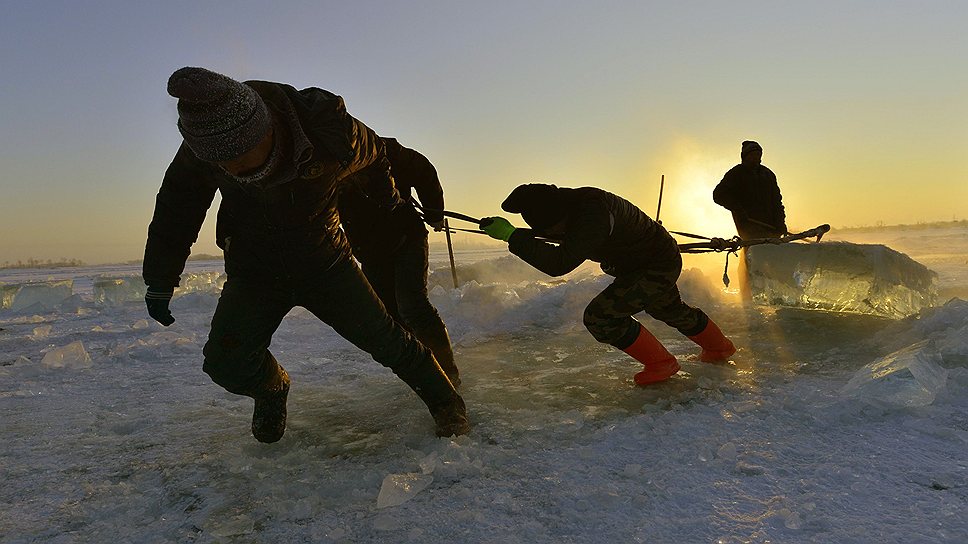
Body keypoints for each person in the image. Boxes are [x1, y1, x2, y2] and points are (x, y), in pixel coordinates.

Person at [142, 67, 468, 443]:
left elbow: (379, 153)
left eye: (242, 158)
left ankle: (448, 405)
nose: (233, 170)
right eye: (222, 164)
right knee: (225, 364)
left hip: (325, 262)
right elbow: (176, 208)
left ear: (266, 130)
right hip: (255, 269)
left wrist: (387, 197)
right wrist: (160, 278)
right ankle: (271, 388)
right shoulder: (205, 144)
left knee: (389, 340)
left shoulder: (330, 130)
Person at [479, 184, 736, 385]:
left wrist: (513, 236)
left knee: (601, 317)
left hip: (655, 263)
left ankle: (661, 363)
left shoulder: (591, 215)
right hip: (646, 260)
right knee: (667, 308)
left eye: (555, 230)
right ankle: (718, 347)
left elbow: (558, 264)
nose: (557, 236)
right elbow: (566, 241)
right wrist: (520, 235)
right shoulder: (573, 205)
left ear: (558, 216)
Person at [337, 138, 460, 386]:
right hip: (369, 251)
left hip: (407, 238)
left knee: (413, 304)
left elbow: (424, 170)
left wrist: (435, 213)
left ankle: (448, 374)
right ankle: (424, 371)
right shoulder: (313, 165)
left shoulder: (378, 147)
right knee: (389, 316)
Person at [713, 140, 788, 239]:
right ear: (745, 156)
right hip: (749, 228)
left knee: (774, 252)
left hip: (772, 229)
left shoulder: (768, 174)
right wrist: (738, 209)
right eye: (752, 155)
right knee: (755, 251)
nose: (756, 158)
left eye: (758, 154)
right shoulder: (736, 173)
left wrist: (781, 223)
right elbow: (718, 195)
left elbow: (777, 202)